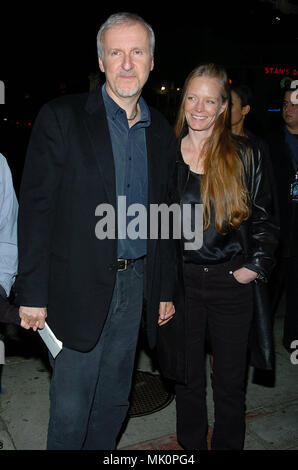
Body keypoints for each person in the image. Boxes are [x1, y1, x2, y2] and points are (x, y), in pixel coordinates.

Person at [15, 12, 176, 450]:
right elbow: (36, 209)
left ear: (152, 61)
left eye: (137, 52)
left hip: (135, 283)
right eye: (116, 52)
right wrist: (32, 292)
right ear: (101, 61)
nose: (127, 63)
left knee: (114, 401)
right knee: (71, 405)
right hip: (74, 285)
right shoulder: (61, 117)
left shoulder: (160, 130)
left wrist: (163, 286)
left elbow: (163, 214)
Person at [164, 63, 279, 450]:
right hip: (181, 283)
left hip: (231, 282)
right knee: (186, 378)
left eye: (209, 100)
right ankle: (191, 446)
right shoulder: (166, 152)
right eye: (192, 98)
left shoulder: (247, 153)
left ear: (223, 106)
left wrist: (254, 268)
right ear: (183, 102)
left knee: (230, 381)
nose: (199, 107)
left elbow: (266, 220)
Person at [266, 84, 298, 352]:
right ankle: (258, 340)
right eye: (285, 103)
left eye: (294, 104)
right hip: (277, 227)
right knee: (269, 289)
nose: (288, 109)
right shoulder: (271, 142)